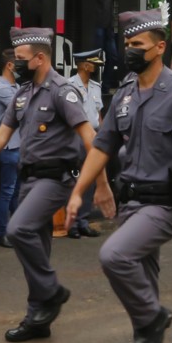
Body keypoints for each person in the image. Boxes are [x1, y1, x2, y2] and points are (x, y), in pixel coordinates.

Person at [67, 10, 172, 343]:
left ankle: (153, 318)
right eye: (127, 45)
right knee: (142, 284)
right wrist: (83, 189)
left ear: (160, 47)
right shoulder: (126, 93)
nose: (129, 51)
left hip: (164, 205)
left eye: (138, 46)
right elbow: (103, 145)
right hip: (131, 203)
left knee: (115, 257)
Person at [0, 27, 103, 343]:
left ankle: (51, 290)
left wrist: (101, 184)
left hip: (56, 178)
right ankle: (39, 316)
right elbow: (1, 135)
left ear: (40, 57)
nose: (15, 65)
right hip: (29, 177)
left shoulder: (62, 92)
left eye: (21, 59)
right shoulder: (22, 93)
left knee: (18, 230)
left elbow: (90, 139)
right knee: (38, 248)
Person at [66, 46, 106, 237]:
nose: (95, 68)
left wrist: (103, 134)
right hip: (76, 137)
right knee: (75, 179)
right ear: (84, 65)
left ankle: (83, 220)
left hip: (94, 135)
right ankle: (71, 224)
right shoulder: (69, 86)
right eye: (92, 64)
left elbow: (98, 115)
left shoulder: (96, 86)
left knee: (90, 179)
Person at [0, 49, 22, 248]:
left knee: (16, 192)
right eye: (19, 63)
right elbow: (22, 109)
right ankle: (2, 233)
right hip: (9, 146)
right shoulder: (1, 89)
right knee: (7, 191)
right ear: (10, 65)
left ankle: (15, 230)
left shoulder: (15, 85)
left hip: (19, 144)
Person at [81, 0, 119, 88]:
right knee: (94, 58)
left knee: (113, 56)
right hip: (97, 25)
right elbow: (87, 4)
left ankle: (105, 86)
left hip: (107, 25)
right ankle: (91, 86)